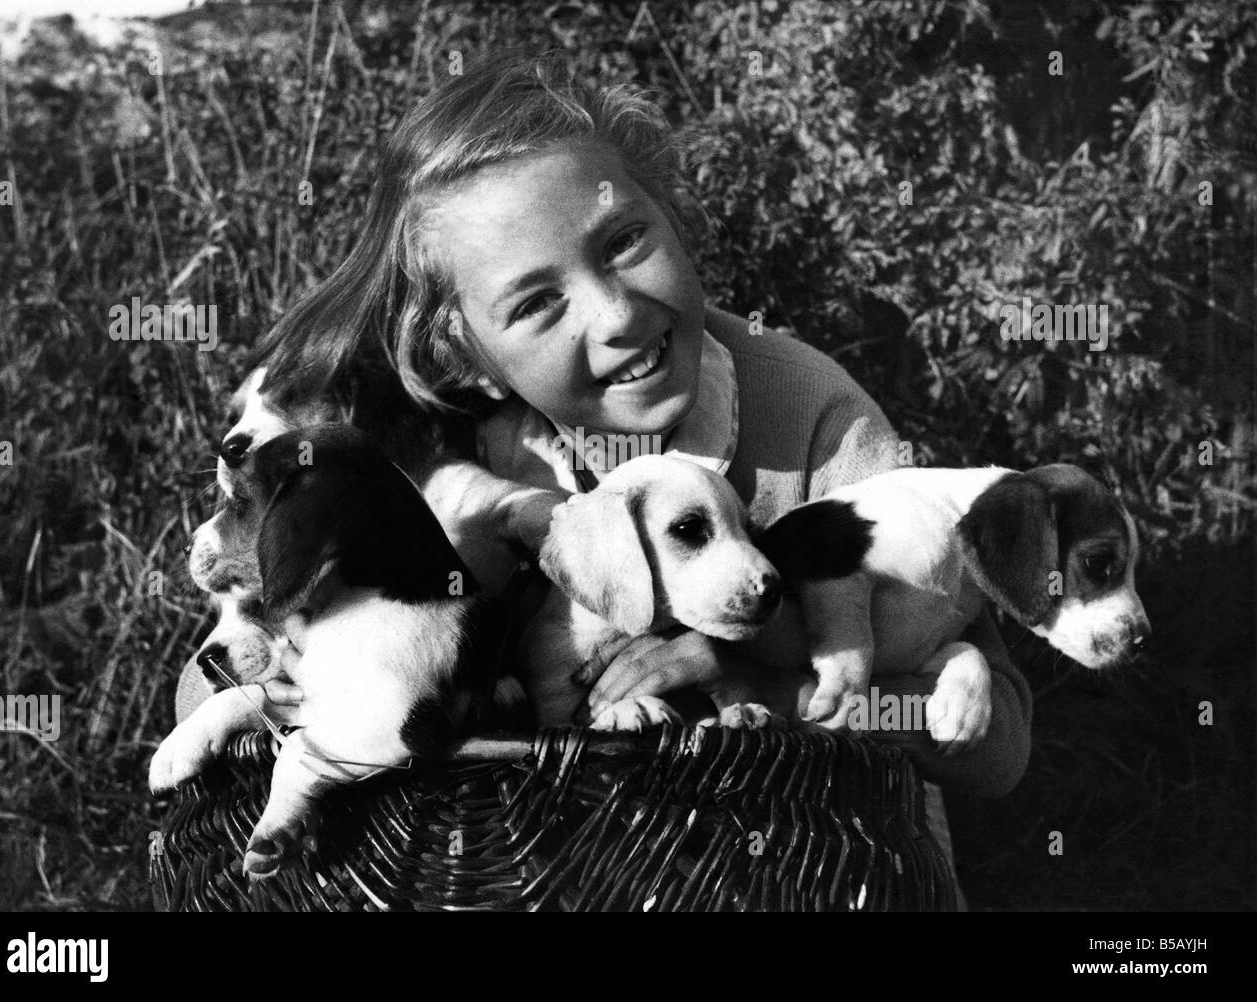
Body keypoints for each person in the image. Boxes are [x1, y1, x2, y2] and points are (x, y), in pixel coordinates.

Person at [255, 51, 1032, 909]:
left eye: (626, 241)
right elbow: (220, 667)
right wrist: (279, 680)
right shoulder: (437, 455)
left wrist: (753, 675)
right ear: (461, 354)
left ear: (674, 211)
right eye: (537, 304)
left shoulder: (808, 413)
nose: (618, 314)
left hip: (815, 875)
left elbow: (1002, 747)